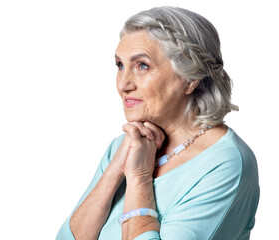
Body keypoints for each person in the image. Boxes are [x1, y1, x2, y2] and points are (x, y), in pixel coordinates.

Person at [56, 6, 259, 240]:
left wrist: (139, 178)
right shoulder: (125, 145)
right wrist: (115, 170)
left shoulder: (225, 164)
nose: (123, 84)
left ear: (190, 78)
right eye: (120, 65)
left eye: (142, 65)